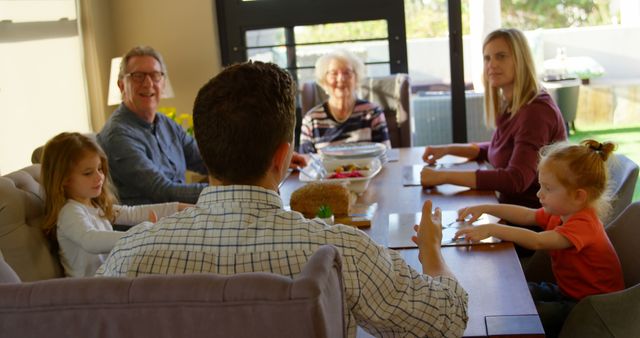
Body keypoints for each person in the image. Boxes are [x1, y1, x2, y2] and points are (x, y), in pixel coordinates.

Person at [97, 61, 468, 337]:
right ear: (283, 158)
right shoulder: (340, 254)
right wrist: (432, 252)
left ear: (205, 155)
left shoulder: (132, 254)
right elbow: (445, 322)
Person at [454, 139, 624, 338]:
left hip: (588, 307)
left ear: (579, 196)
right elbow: (527, 215)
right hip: (567, 291)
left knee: (522, 317)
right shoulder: (562, 210)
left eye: (548, 188)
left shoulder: (585, 225)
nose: (539, 194)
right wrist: (486, 207)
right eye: (541, 185)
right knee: (513, 291)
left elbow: (538, 241)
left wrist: (494, 229)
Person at [98, 46, 307, 205]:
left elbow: (210, 158)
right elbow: (162, 191)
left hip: (183, 217)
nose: (148, 83)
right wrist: (243, 188)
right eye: (138, 76)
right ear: (121, 85)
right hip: (149, 231)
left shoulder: (167, 124)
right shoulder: (118, 134)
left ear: (162, 82)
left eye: (155, 75)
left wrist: (270, 160)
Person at [421, 28, 566, 208]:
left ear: (520, 60)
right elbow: (501, 149)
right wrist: (447, 150)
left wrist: (443, 176)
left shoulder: (535, 112)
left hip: (534, 224)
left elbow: (516, 180)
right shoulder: (512, 103)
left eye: (501, 56)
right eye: (487, 58)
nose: (492, 64)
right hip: (511, 212)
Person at [40, 132, 189, 277]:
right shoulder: (69, 212)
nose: (99, 176)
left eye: (99, 169)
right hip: (89, 292)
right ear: (64, 179)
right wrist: (140, 236)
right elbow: (91, 240)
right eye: (88, 173)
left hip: (110, 279)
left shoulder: (96, 207)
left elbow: (133, 213)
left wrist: (180, 208)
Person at [299, 50, 391, 154]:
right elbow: (306, 162)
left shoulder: (372, 112)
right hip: (326, 171)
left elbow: (386, 155)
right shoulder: (311, 119)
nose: (341, 79)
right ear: (324, 81)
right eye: (334, 73)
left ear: (356, 79)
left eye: (347, 72)